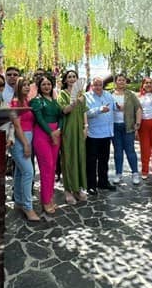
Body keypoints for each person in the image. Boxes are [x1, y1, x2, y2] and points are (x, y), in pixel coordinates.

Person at [30, 75, 63, 214]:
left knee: (53, 167)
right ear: (39, 86)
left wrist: (59, 130)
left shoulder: (55, 101)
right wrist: (51, 133)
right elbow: (39, 119)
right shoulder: (36, 101)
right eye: (43, 84)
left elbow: (61, 116)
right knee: (46, 167)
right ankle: (45, 201)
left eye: (49, 84)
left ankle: (49, 197)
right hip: (43, 135)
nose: (47, 86)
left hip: (56, 134)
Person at [10, 76, 40, 221]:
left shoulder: (27, 101)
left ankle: (19, 201)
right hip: (19, 140)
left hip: (28, 137)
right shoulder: (15, 102)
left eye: (28, 85)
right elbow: (16, 126)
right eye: (24, 85)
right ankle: (28, 207)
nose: (27, 87)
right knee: (28, 172)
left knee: (20, 172)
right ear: (18, 87)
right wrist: (26, 144)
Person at [57, 70, 88, 204]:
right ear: (65, 80)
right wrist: (75, 101)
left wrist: (86, 126)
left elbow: (84, 111)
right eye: (69, 77)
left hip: (79, 129)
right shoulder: (62, 94)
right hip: (68, 131)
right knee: (69, 159)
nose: (72, 79)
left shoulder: (82, 95)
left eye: (74, 76)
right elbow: (64, 110)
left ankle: (78, 188)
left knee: (80, 157)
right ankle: (68, 190)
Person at [85, 77, 116, 195]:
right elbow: (85, 113)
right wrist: (99, 110)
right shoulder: (87, 97)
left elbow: (113, 107)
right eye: (95, 85)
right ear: (91, 85)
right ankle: (91, 185)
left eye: (100, 85)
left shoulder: (108, 95)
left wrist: (117, 106)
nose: (98, 87)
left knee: (104, 160)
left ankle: (103, 182)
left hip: (107, 133)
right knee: (91, 161)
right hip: (93, 134)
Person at [111, 73, 142, 185]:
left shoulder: (130, 95)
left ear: (125, 82)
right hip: (114, 126)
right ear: (116, 82)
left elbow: (138, 109)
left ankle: (135, 173)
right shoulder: (110, 95)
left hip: (128, 126)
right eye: (119, 80)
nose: (121, 82)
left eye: (123, 80)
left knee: (130, 151)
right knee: (118, 151)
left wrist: (137, 123)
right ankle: (118, 174)